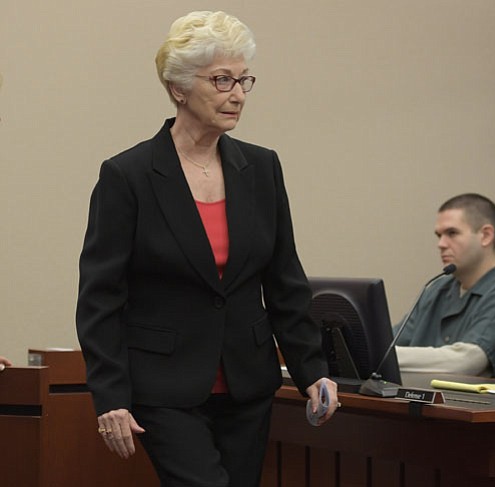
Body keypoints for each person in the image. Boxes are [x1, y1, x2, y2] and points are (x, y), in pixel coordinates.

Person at [75, 11, 338, 487]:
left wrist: (312, 370)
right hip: (164, 389)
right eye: (221, 80)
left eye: (243, 80)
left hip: (248, 384)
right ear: (178, 87)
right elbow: (101, 298)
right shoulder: (127, 175)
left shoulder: (261, 168)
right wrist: (110, 395)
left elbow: (284, 280)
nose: (236, 94)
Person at [395, 193, 495, 378]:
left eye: (452, 233)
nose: (441, 244)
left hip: (485, 405)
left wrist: (382, 357)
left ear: (486, 235)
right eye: (439, 235)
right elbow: (388, 343)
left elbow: (467, 362)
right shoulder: (436, 288)